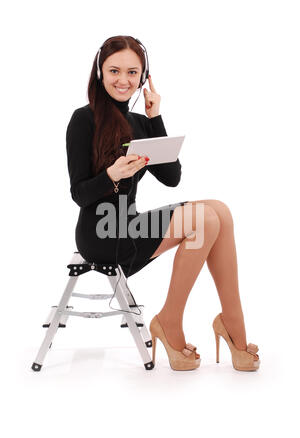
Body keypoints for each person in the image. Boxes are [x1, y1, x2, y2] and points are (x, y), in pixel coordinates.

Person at [66, 35, 260, 373]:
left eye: (132, 72)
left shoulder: (141, 124)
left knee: (220, 212)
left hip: (129, 223)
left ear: (144, 77)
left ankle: (233, 325)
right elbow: (79, 194)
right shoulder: (83, 120)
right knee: (204, 220)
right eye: (114, 71)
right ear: (100, 72)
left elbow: (171, 177)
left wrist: (155, 118)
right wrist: (111, 175)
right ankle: (170, 322)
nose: (123, 80)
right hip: (101, 231)